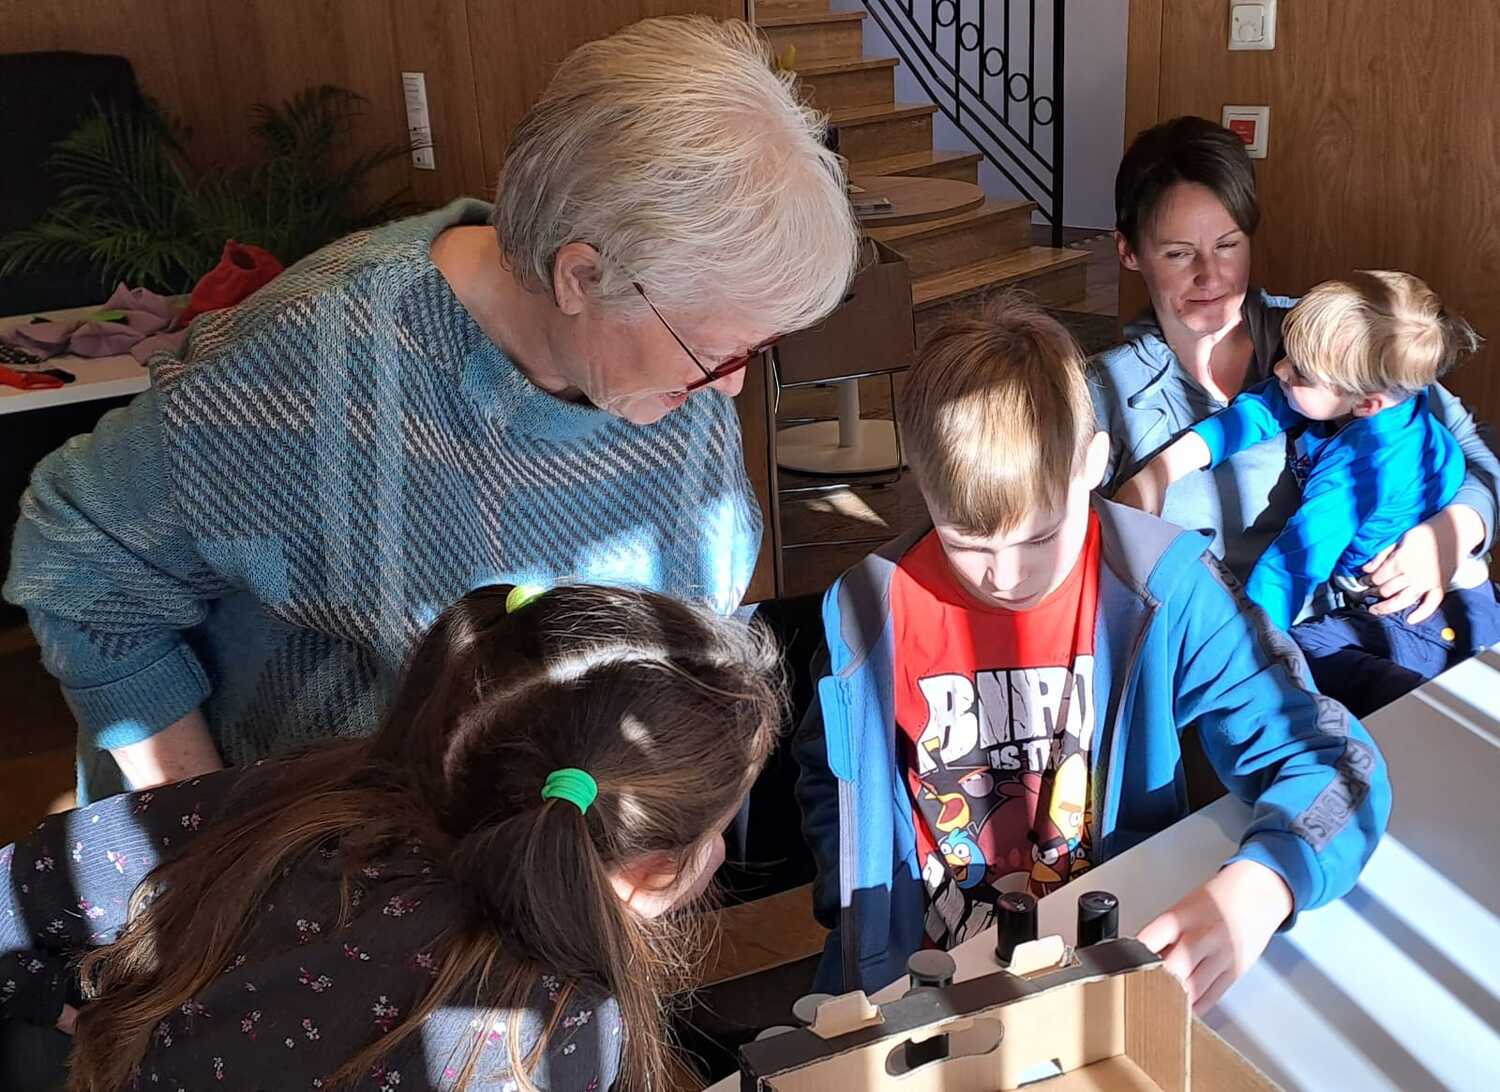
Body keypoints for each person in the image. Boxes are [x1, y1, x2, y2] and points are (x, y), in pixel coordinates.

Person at [3, 15, 860, 803]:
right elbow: (80, 558)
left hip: (555, 863)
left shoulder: (662, 357)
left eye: (752, 352)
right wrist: (207, 822)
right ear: (579, 276)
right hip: (339, 867)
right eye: (716, 353)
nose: (730, 388)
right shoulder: (311, 365)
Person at [794, 298, 1391, 1013]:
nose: (1006, 576)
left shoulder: (1164, 587)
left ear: (1094, 463)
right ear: (924, 486)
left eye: (1040, 538)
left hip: (1100, 964)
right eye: (967, 544)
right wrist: (853, 910)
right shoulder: (867, 611)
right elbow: (830, 774)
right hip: (909, 979)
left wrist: (1262, 887)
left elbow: (1331, 762)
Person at [0, 583, 784, 1092]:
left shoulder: (296, 797)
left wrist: (74, 1013)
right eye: (716, 834)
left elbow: (12, 895)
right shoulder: (553, 1030)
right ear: (649, 875)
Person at [1089, 116, 1500, 689]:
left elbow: (1475, 453)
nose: (1210, 275)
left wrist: (1455, 529)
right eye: (1179, 254)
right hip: (1243, 662)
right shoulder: (1107, 391)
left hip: (1400, 619)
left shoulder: (1331, 336)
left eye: (1228, 245)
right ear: (1129, 251)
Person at [1118, 271, 1500, 711]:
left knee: (1305, 654)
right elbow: (1256, 412)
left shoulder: (1366, 465)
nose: (1280, 369)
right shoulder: (1347, 392)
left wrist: (1238, 651)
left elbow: (1292, 564)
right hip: (1405, 601)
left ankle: (1440, 710)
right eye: (1287, 355)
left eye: (1298, 372)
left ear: (1367, 404)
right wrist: (1161, 471)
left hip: (1425, 613)